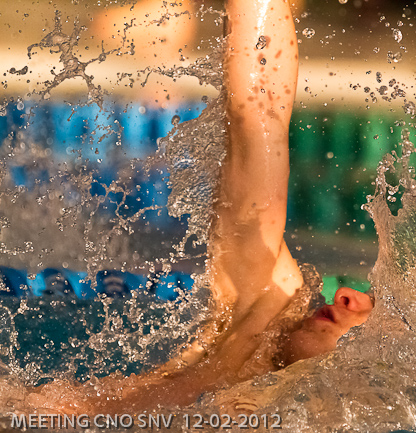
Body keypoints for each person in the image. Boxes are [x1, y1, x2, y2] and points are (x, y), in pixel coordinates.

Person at [19, 0, 374, 414]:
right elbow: (259, 114)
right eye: (373, 294)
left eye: (381, 315)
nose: (347, 294)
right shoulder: (262, 306)